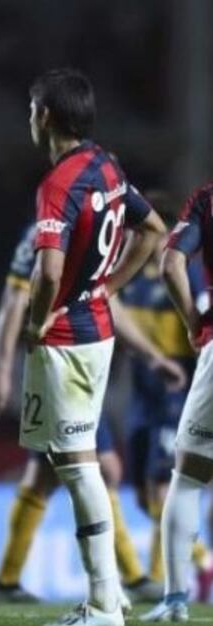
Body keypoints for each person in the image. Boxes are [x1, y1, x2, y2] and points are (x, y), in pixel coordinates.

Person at [18, 68, 165, 626]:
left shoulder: (59, 183)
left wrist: (38, 321)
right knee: (68, 459)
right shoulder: (106, 165)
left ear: (46, 116)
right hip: (95, 329)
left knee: (78, 467)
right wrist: (107, 288)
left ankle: (104, 601)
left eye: (31, 108)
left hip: (67, 339)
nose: (29, 118)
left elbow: (48, 270)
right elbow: (151, 229)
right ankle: (112, 596)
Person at [0, 220, 185, 605]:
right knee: (98, 467)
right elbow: (14, 300)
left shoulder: (99, 235)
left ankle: (6, 581)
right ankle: (129, 578)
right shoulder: (44, 233)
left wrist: (152, 356)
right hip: (55, 359)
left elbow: (109, 301)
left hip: (82, 360)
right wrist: (1, 366)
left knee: (48, 473)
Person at [119, 191, 212, 598]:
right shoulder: (132, 281)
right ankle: (202, 560)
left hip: (175, 389)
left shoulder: (186, 267)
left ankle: (163, 581)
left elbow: (200, 309)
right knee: (143, 492)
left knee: (169, 480)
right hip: (142, 391)